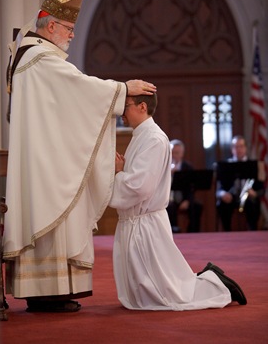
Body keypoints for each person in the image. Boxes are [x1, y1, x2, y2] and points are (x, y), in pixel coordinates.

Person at [2, 0, 156, 313]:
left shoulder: (31, 55)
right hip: (48, 161)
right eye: (69, 28)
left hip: (48, 154)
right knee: (58, 209)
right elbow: (79, 88)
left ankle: (50, 292)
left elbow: (68, 102)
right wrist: (124, 88)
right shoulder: (40, 58)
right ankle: (47, 294)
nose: (72, 35)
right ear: (52, 24)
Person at [108, 93, 247, 311]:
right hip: (137, 220)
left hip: (146, 223)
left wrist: (118, 173)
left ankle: (218, 285)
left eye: (125, 106)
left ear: (142, 106)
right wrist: (123, 170)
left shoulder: (153, 138)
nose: (121, 112)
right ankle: (211, 279)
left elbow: (140, 186)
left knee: (167, 295)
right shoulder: (140, 135)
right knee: (146, 293)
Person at [216, 135, 265, 231]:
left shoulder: (254, 165)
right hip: (231, 197)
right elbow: (219, 189)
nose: (238, 149)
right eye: (235, 146)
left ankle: (253, 232)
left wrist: (255, 193)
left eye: (241, 146)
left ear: (246, 148)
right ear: (232, 149)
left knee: (253, 204)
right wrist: (223, 194)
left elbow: (262, 189)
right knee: (222, 204)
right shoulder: (225, 166)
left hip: (248, 198)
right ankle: (226, 233)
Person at [167, 139, 203, 233]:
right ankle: (173, 231)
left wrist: (187, 201)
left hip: (183, 198)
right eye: (172, 153)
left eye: (177, 153)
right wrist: (169, 174)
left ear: (182, 154)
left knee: (197, 206)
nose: (174, 155)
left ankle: (192, 233)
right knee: (169, 207)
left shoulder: (188, 167)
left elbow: (192, 188)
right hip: (169, 199)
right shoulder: (164, 167)